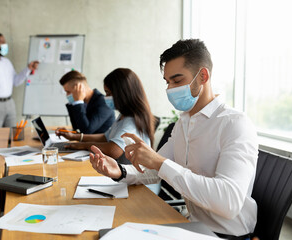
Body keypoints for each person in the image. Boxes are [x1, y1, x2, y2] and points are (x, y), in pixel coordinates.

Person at [89, 39, 258, 239]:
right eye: (167, 82)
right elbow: (154, 170)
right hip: (192, 226)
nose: (170, 89)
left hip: (224, 235)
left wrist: (160, 162)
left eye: (177, 81)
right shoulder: (184, 123)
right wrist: (120, 170)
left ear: (203, 76)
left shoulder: (234, 124)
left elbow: (228, 203)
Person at [57, 68, 155, 164]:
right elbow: (105, 137)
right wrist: (75, 137)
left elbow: (114, 150)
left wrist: (84, 145)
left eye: (108, 93)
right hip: (121, 170)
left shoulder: (132, 119)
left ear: (121, 94)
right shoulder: (123, 115)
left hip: (132, 177)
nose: (106, 97)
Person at [0, 32, 39, 127]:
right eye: (2, 42)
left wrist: (28, 69)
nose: (5, 45)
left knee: (11, 134)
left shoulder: (6, 62)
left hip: (9, 103)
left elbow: (16, 81)